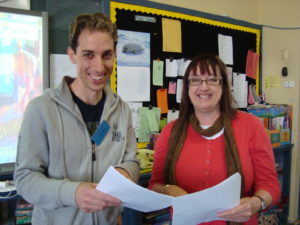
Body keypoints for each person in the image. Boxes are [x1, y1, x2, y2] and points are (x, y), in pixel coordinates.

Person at [14, 13, 140, 225]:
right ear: (72, 55)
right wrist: (72, 193)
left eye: (107, 55)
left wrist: (126, 172)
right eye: (88, 55)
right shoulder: (41, 110)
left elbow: (131, 161)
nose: (99, 67)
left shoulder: (122, 110)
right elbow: (25, 179)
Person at [148, 54, 280, 225]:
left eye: (212, 80)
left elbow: (270, 186)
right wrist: (167, 190)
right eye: (195, 80)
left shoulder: (251, 126)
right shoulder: (170, 131)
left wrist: (256, 203)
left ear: (223, 86)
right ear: (187, 88)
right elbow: (154, 185)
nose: (203, 87)